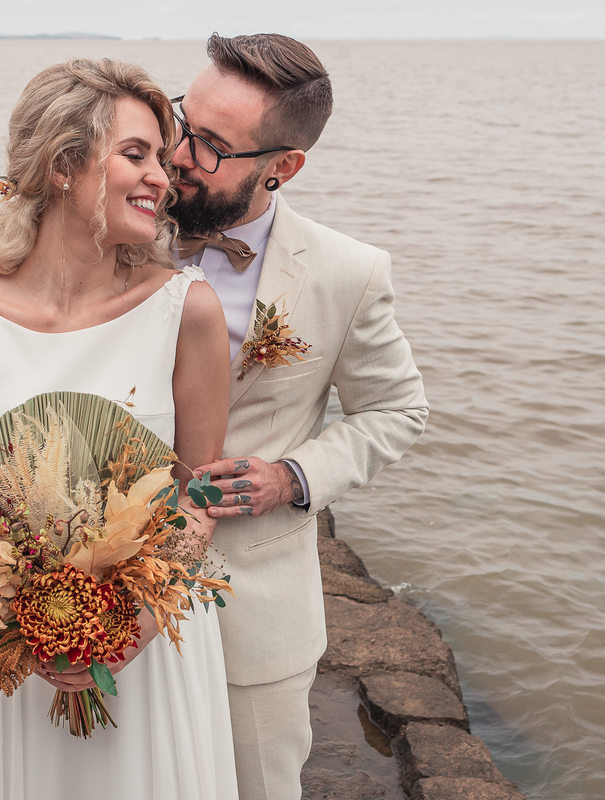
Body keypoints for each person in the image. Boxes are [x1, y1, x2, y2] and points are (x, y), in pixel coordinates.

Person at [0, 59, 238, 800]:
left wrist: (133, 628)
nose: (163, 175)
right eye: (136, 154)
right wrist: (7, 600)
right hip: (12, 659)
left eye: (164, 156)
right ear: (65, 165)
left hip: (151, 652)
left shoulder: (187, 310)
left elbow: (200, 493)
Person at [169, 34, 430, 800]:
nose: (180, 154)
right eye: (184, 123)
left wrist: (293, 476)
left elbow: (398, 409)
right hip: (105, 583)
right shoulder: (114, 226)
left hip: (251, 607)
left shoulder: (349, 272)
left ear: (282, 167)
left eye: (213, 146)